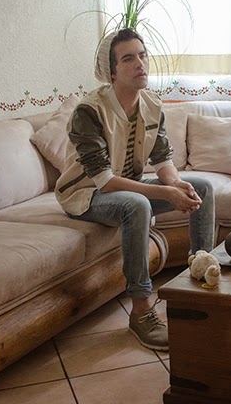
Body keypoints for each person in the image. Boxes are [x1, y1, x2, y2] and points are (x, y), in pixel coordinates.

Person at [55, 28, 215, 351]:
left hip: (126, 188)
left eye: (142, 55)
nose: (140, 63)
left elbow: (163, 159)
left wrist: (175, 183)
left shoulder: (151, 105)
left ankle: (200, 282)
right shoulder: (89, 111)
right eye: (128, 58)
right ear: (112, 71)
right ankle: (141, 311)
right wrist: (165, 194)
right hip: (86, 194)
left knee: (202, 187)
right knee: (136, 204)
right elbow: (105, 181)